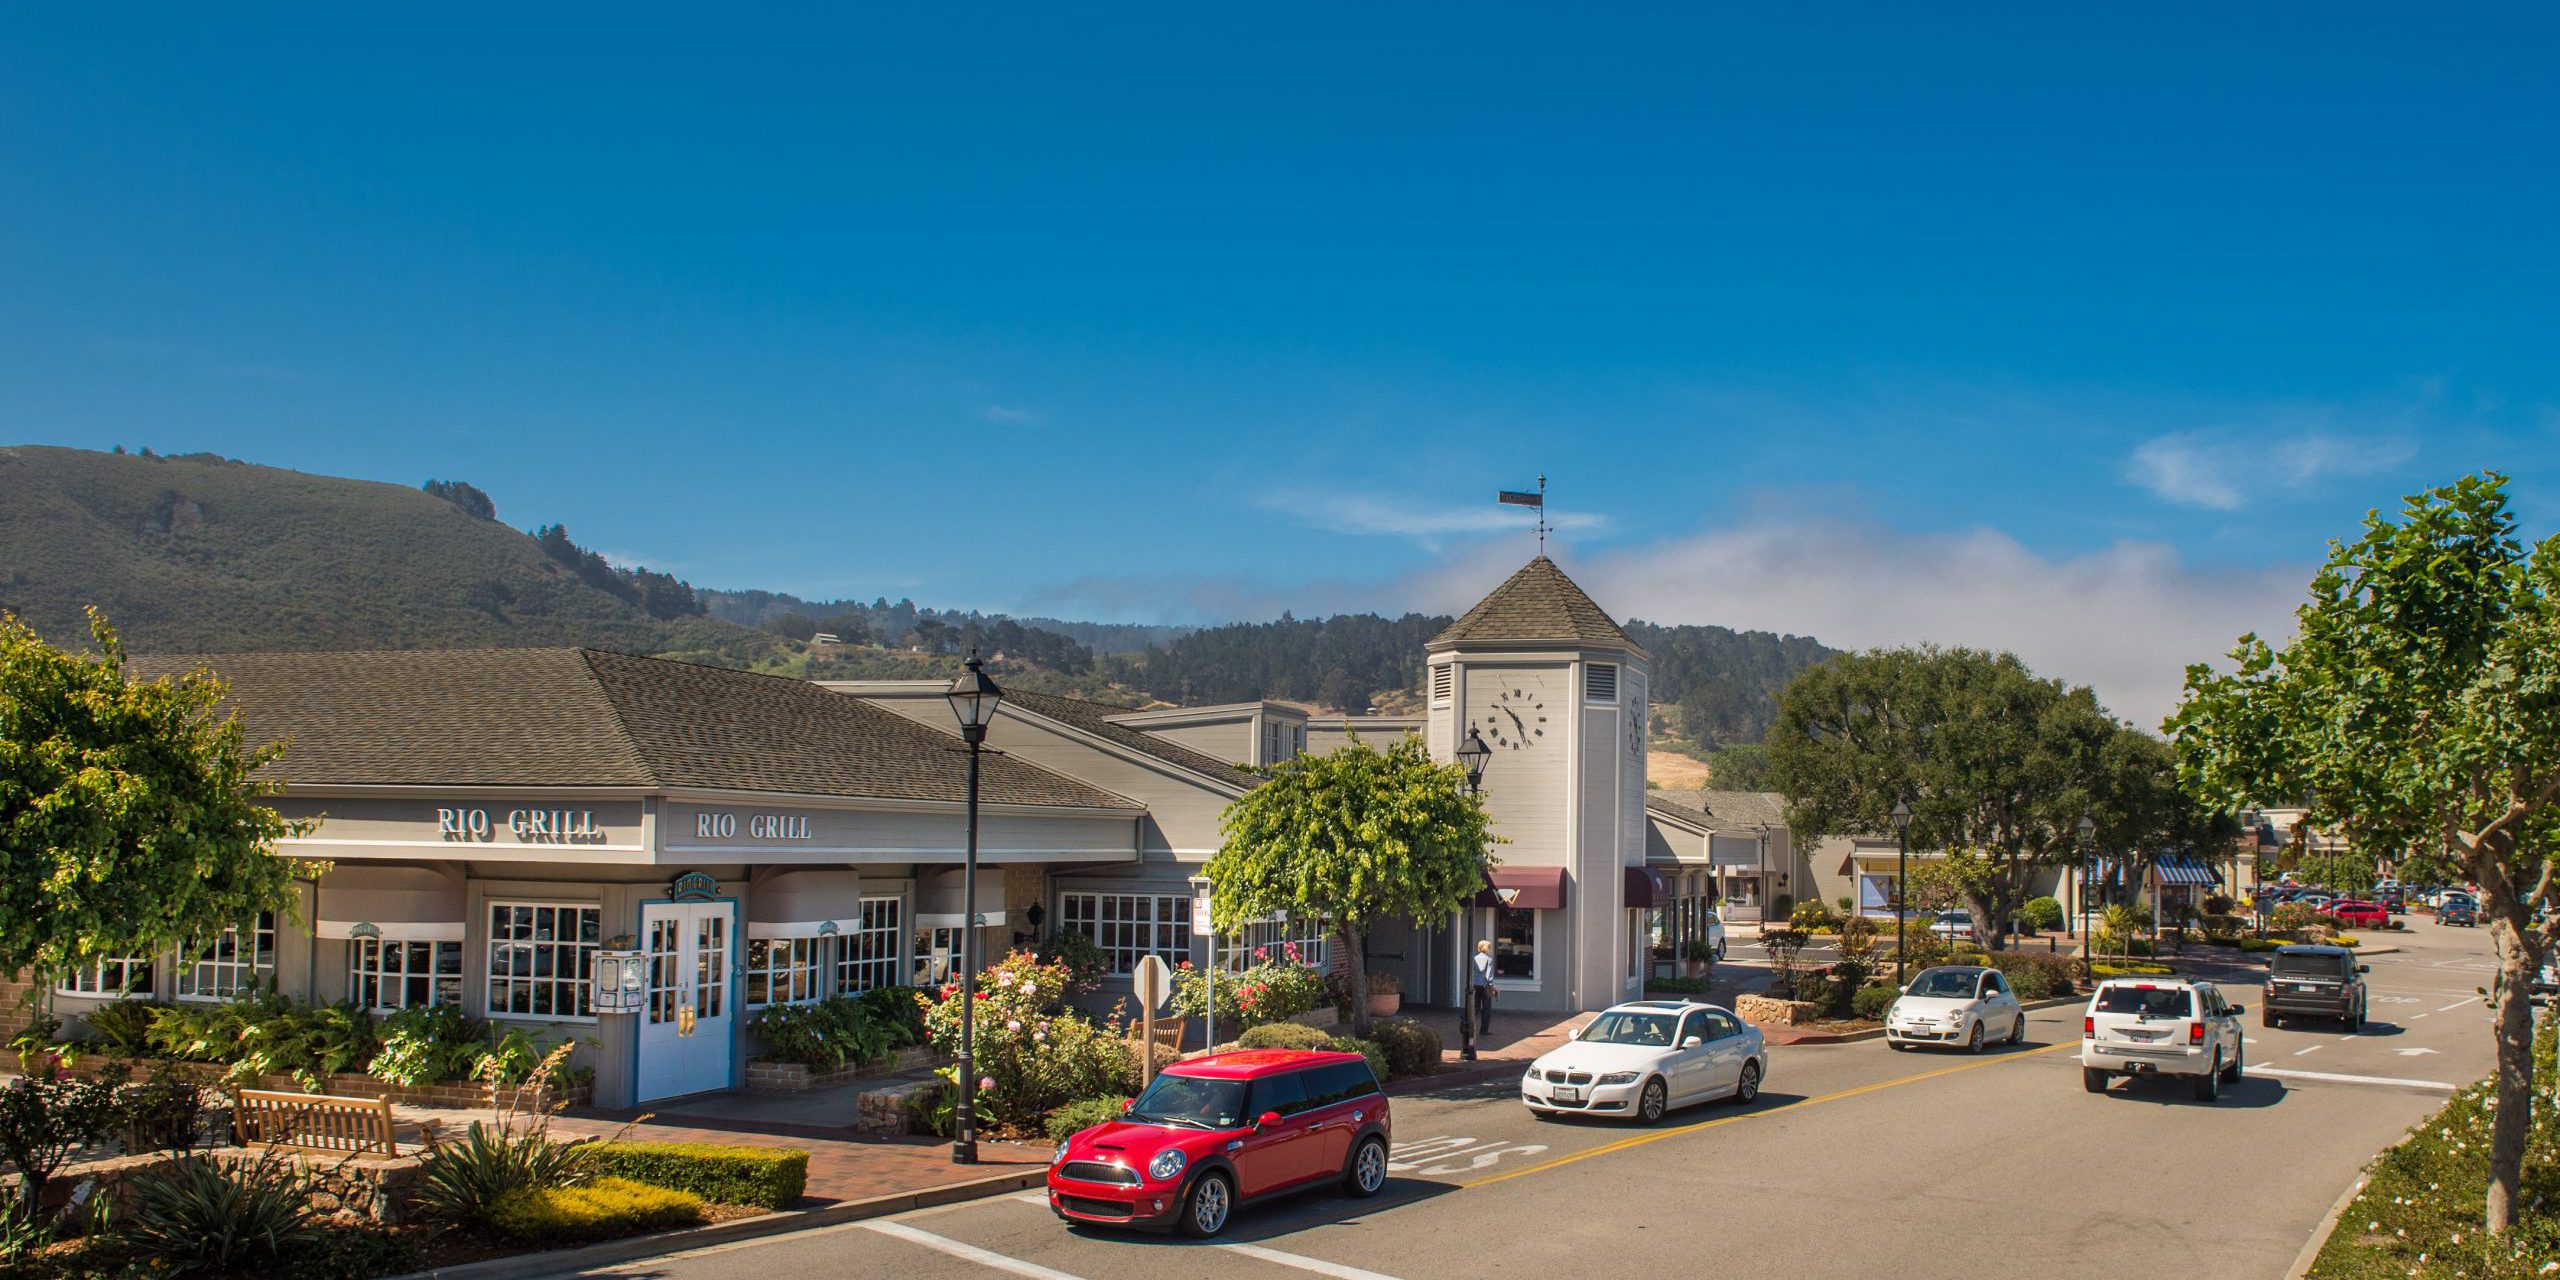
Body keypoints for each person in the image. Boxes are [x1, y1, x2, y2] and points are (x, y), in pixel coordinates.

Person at [1470, 938, 1497, 1042]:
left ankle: (1468, 1023)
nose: (1490, 949)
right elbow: (1489, 975)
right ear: (1486, 948)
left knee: (1476, 1007)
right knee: (1486, 1008)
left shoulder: (1474, 958)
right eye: (1489, 947)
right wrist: (1492, 986)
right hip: (1485, 985)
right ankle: (1484, 1030)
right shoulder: (1489, 960)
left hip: (1476, 985)